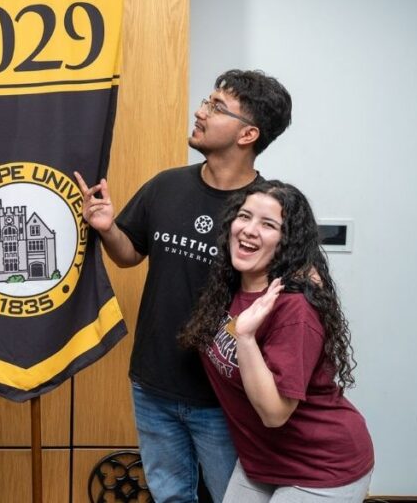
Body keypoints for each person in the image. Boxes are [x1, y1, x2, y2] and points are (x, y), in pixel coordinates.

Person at [74, 69, 293, 501]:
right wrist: (105, 228)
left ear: (248, 133)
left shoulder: (268, 211)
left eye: (216, 106)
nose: (200, 111)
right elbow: (129, 254)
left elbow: (288, 300)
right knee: (171, 495)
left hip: (224, 396)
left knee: (233, 497)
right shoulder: (167, 185)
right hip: (153, 382)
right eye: (206, 101)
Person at [180, 180, 374, 501]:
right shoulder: (228, 287)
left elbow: (274, 413)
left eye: (268, 224)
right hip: (262, 462)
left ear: (287, 241)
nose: (249, 230)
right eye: (244, 216)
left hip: (322, 468)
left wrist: (244, 336)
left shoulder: (294, 307)